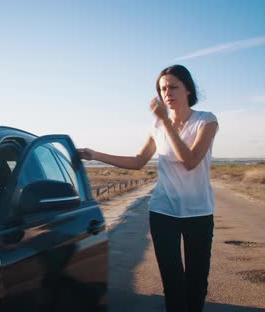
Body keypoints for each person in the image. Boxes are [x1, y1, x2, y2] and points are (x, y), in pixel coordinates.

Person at [78, 65, 218, 312]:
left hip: (199, 213)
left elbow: (191, 161)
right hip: (163, 212)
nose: (167, 93)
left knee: (196, 282)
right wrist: (94, 154)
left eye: (173, 87)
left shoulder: (206, 120)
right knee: (172, 283)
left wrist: (166, 121)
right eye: (162, 89)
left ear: (188, 89)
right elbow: (138, 162)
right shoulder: (156, 128)